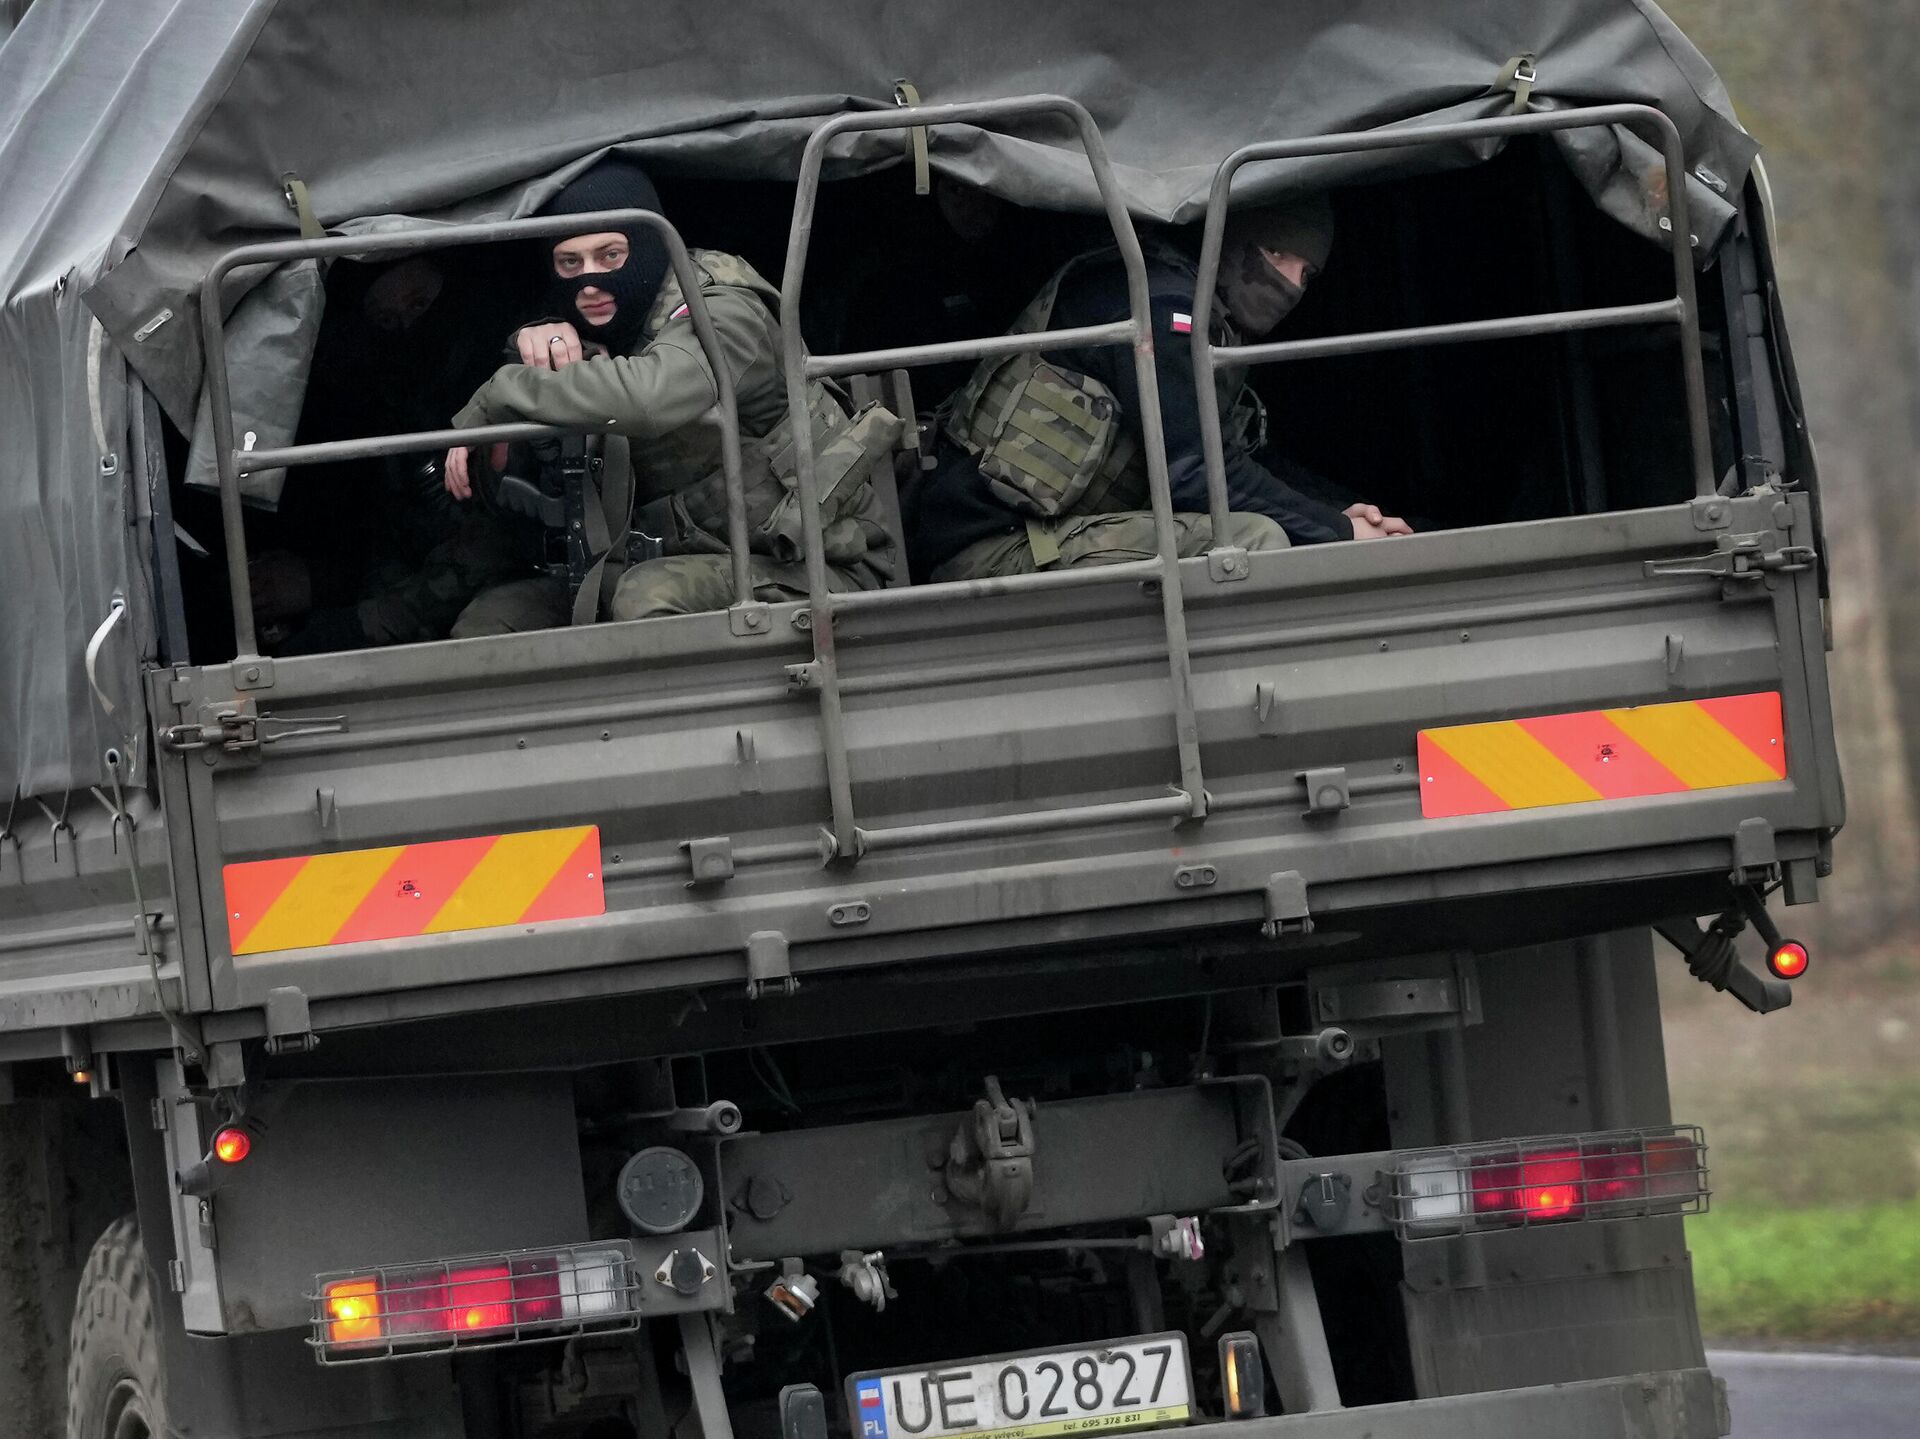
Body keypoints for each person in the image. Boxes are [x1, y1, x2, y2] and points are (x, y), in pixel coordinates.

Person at [441, 156, 899, 634]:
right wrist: (527, 357)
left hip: (812, 566)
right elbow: (514, 486)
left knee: (646, 597)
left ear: (648, 248)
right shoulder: (596, 326)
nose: (589, 281)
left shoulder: (724, 306)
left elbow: (649, 397)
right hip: (669, 559)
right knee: (494, 620)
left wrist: (501, 389)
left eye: (610, 255)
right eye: (569, 262)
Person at [904, 195, 1410, 582]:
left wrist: (1335, 515)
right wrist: (1338, 532)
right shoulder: (1160, 306)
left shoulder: (1192, 304)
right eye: (1276, 254)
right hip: (994, 551)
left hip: (1045, 538)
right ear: (1230, 238)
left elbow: (1233, 457)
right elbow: (1195, 475)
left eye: (1307, 274)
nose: (1291, 285)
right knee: (1256, 539)